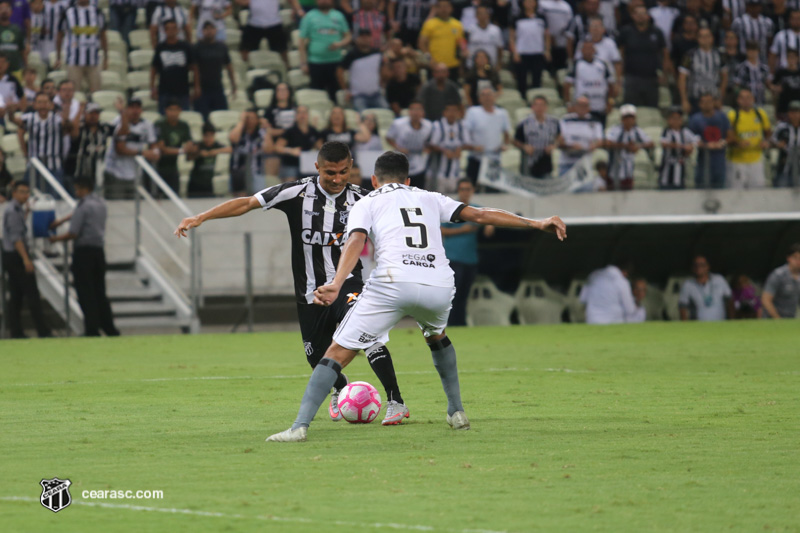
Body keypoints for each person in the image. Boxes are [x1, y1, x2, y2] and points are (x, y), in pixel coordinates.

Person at [263, 150, 567, 441]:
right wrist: (536, 222)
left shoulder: (367, 201)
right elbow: (480, 213)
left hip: (393, 283)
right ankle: (456, 411)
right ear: (408, 181)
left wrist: (336, 282)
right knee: (437, 336)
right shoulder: (430, 197)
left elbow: (355, 240)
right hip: (438, 285)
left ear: (374, 180)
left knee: (336, 352)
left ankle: (299, 428)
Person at [175, 142, 410, 427]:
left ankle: (396, 401)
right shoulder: (296, 192)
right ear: (317, 167)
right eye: (330, 173)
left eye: (343, 172)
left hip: (347, 285)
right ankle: (339, 387)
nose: (337, 179)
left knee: (368, 334)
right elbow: (247, 203)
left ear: (351, 167)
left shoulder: (364, 199)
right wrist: (201, 217)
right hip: (309, 293)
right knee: (317, 358)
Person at [48, 177, 120, 337]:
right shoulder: (101, 203)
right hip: (98, 252)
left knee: (86, 292)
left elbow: (73, 233)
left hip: (84, 253)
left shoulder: (83, 206)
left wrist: (55, 239)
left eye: (77, 189)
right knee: (100, 291)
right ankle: (109, 328)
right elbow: (80, 216)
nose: (76, 192)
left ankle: (92, 329)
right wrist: (63, 220)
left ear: (83, 189)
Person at [2, 181, 51, 338]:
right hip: (16, 255)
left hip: (12, 255)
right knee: (31, 293)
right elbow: (16, 238)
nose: (26, 195)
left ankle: (16, 332)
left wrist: (27, 213)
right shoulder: (13, 210)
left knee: (16, 295)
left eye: (27, 192)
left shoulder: (17, 209)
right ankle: (43, 331)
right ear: (14, 193)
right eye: (22, 192)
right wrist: (26, 259)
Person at [441, 178, 494, 326]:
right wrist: (462, 230)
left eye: (468, 189)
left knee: (465, 294)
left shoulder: (475, 209)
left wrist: (490, 225)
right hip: (453, 257)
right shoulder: (452, 208)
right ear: (458, 191)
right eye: (462, 189)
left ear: (472, 191)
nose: (465, 192)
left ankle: (461, 323)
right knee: (453, 294)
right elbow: (440, 230)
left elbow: (488, 217)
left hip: (470, 259)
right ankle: (450, 323)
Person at [10, 91, 74, 195]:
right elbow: (14, 120)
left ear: (51, 105)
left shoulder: (57, 119)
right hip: (34, 165)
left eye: (45, 102)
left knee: (55, 196)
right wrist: (10, 111)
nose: (43, 105)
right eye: (40, 102)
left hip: (54, 165)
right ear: (34, 104)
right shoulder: (30, 118)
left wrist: (66, 119)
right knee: (29, 195)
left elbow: (69, 129)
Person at [103, 98, 160, 200]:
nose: (135, 111)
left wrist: (155, 153)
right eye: (132, 107)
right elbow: (120, 150)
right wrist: (143, 153)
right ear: (127, 109)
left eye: (138, 107)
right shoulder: (118, 121)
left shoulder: (147, 125)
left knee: (135, 204)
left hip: (136, 173)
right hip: (116, 172)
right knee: (117, 205)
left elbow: (154, 146)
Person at [617, 5, 671, 108]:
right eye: (637, 14)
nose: (640, 16)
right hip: (631, 77)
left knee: (652, 109)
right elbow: (620, 55)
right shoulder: (626, 32)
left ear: (648, 16)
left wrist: (664, 74)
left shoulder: (657, 32)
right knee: (630, 109)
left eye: (643, 14)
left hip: (652, 77)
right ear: (633, 16)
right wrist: (619, 76)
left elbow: (665, 54)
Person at [298, 0, 351, 102]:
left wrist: (340, 44)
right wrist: (303, 63)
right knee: (317, 94)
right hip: (316, 62)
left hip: (335, 61)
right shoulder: (309, 17)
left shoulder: (338, 16)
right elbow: (301, 42)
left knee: (335, 93)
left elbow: (348, 36)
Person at [55, 0, 107, 94]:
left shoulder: (97, 12)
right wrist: (58, 57)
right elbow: (60, 35)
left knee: (96, 92)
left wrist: (106, 57)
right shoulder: (68, 12)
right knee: (74, 92)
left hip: (93, 60)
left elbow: (103, 35)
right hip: (74, 60)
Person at [151, 18, 199, 114]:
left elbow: (194, 68)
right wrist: (152, 87)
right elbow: (154, 68)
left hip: (183, 90)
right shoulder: (160, 47)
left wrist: (197, 86)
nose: (171, 31)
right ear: (165, 31)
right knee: (164, 117)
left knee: (184, 116)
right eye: (168, 28)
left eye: (173, 28)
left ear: (177, 30)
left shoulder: (185, 46)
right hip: (164, 90)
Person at [464, 87, 511, 184]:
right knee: (472, 185)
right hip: (476, 158)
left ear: (494, 97)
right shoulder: (473, 112)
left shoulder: (502, 113)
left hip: (494, 159)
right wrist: (472, 146)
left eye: (489, 94)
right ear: (479, 99)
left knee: (493, 188)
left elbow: (506, 133)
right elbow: (466, 132)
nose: (487, 97)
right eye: (483, 95)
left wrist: (505, 145)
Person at [727, 87, 771, 189]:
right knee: (736, 190)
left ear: (753, 99)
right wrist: (738, 143)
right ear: (738, 100)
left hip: (756, 160)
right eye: (742, 98)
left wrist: (766, 141)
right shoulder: (733, 115)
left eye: (748, 97)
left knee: (758, 190)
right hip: (737, 160)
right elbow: (728, 135)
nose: (746, 100)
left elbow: (768, 132)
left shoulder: (760, 114)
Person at [563, 41, 616, 127]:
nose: (588, 51)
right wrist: (569, 104)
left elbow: (611, 84)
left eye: (590, 48)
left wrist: (610, 102)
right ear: (581, 50)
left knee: (599, 130)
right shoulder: (576, 64)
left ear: (594, 50)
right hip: (582, 109)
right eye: (586, 48)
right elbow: (567, 85)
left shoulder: (602, 64)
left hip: (599, 107)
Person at [679, 27, 729, 115]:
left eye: (707, 36)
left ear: (712, 38)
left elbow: (724, 77)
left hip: (714, 98)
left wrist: (720, 97)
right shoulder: (690, 55)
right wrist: (684, 100)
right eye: (701, 36)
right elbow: (682, 78)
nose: (705, 39)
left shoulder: (719, 55)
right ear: (698, 39)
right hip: (695, 98)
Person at [237, 0, 303, 67]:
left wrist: (299, 10)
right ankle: (246, 67)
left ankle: (286, 68)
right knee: (245, 49)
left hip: (274, 23)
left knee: (282, 50)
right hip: (254, 23)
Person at [193, 21, 236, 121]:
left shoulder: (222, 47)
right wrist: (196, 87)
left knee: (222, 117)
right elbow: (195, 69)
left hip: (217, 87)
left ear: (216, 30)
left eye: (211, 28)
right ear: (202, 31)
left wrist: (233, 85)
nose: (209, 31)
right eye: (206, 29)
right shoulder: (197, 47)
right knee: (203, 118)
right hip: (202, 88)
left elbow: (229, 67)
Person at [66, 102, 116, 186]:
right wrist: (80, 110)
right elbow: (73, 132)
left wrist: (122, 111)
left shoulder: (104, 128)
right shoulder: (80, 127)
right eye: (91, 113)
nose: (93, 116)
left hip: (97, 175)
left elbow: (123, 132)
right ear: (85, 114)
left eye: (96, 113)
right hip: (77, 173)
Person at [604, 104, 654, 191]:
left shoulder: (637, 131)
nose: (629, 120)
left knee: (628, 191)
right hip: (615, 167)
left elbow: (651, 143)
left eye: (631, 118)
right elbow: (608, 143)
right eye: (626, 118)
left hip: (629, 169)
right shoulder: (616, 130)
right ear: (622, 119)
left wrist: (638, 146)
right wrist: (626, 146)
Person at [338, 29, 388, 113]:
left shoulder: (377, 54)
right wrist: (346, 90)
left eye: (367, 37)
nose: (365, 39)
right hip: (358, 95)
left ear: (371, 38)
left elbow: (383, 70)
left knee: (386, 112)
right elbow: (339, 71)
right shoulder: (351, 55)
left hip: (376, 94)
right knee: (362, 115)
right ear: (357, 39)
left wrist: (383, 83)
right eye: (362, 37)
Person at [429, 102, 475, 193]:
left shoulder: (462, 125)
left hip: (456, 172)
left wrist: (460, 149)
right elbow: (432, 145)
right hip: (440, 172)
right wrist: (444, 151)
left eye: (454, 111)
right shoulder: (438, 125)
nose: (452, 113)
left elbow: (469, 144)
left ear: (458, 112)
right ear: (444, 113)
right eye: (449, 110)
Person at [385, 100, 433, 188]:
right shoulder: (398, 124)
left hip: (419, 162)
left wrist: (427, 148)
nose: (416, 112)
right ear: (409, 112)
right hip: (400, 162)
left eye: (419, 109)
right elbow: (388, 137)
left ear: (423, 112)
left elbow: (430, 142)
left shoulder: (429, 126)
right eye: (413, 109)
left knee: (418, 190)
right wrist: (398, 147)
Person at [580, 261, 645, 324]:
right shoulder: (622, 282)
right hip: (614, 323)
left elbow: (583, 298)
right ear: (625, 272)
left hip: (592, 321)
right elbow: (630, 310)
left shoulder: (594, 275)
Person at [688, 92, 730, 189]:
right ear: (700, 104)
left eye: (709, 101)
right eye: (704, 102)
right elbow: (690, 139)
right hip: (702, 160)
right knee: (702, 186)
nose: (707, 104)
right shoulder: (695, 119)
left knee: (720, 187)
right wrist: (706, 145)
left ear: (714, 102)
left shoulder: (722, 117)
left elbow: (731, 136)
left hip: (719, 159)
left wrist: (722, 142)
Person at [510, 0, 551, 96]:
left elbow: (547, 36)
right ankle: (523, 98)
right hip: (522, 53)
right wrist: (515, 52)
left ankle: (535, 99)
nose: (529, 4)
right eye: (527, 1)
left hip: (538, 53)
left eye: (532, 1)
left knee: (537, 79)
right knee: (521, 80)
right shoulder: (517, 18)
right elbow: (511, 38)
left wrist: (547, 50)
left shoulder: (542, 18)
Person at [513, 95, 560, 179]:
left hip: (546, 160)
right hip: (529, 161)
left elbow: (560, 137)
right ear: (532, 107)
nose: (539, 108)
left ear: (546, 107)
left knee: (547, 182)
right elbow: (516, 141)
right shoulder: (524, 123)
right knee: (528, 183)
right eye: (536, 105)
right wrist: (524, 146)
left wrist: (554, 145)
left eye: (542, 105)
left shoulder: (554, 122)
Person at [557, 95, 604, 176]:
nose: (582, 108)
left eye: (585, 105)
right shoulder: (565, 120)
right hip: (567, 162)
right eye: (580, 105)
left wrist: (593, 145)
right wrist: (571, 146)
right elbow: (559, 141)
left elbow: (599, 141)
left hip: (585, 163)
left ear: (589, 107)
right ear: (575, 106)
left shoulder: (595, 122)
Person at [154, 101, 194, 195]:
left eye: (176, 110)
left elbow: (189, 143)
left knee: (174, 194)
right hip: (158, 166)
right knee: (158, 196)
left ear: (180, 111)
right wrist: (182, 151)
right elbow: (162, 149)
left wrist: (189, 147)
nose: (173, 113)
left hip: (173, 166)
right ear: (165, 110)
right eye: (171, 110)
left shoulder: (183, 125)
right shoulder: (159, 124)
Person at [418, 0, 464, 81]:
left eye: (446, 6)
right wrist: (429, 59)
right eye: (441, 6)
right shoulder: (429, 24)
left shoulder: (457, 25)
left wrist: (464, 50)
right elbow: (421, 43)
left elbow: (461, 42)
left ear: (451, 8)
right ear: (437, 8)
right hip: (435, 65)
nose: (444, 9)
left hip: (452, 65)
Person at [274, 105, 320, 184]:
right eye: (299, 113)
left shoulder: (313, 131)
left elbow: (320, 146)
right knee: (291, 184)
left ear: (308, 115)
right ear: (296, 115)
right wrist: (290, 151)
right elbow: (277, 147)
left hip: (308, 165)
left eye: (304, 113)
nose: (302, 115)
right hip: (291, 164)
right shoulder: (290, 131)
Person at [229, 108, 272, 193]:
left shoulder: (261, 133)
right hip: (238, 170)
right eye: (247, 118)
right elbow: (233, 139)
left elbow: (269, 149)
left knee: (258, 197)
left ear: (257, 120)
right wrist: (241, 121)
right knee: (239, 197)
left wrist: (265, 129)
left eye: (253, 118)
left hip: (257, 170)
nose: (250, 121)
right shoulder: (238, 130)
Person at [679, 255, 733, 321]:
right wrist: (685, 325)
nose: (698, 267)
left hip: (720, 324)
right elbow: (682, 307)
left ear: (708, 266)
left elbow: (730, 300)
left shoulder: (719, 279)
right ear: (692, 268)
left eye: (702, 265)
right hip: (698, 325)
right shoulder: (688, 284)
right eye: (696, 265)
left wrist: (732, 320)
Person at [187, 122, 231, 197]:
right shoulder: (199, 145)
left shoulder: (216, 145)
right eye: (206, 136)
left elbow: (230, 149)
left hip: (209, 182)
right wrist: (199, 154)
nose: (209, 139)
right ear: (203, 136)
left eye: (211, 136)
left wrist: (215, 151)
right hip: (195, 182)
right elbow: (188, 157)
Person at [262, 82, 296, 178]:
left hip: (293, 146)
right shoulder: (270, 110)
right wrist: (286, 131)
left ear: (289, 92)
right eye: (279, 90)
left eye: (284, 90)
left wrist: (279, 131)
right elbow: (268, 131)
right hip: (274, 149)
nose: (282, 92)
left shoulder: (296, 108)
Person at [659, 107, 697, 190]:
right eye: (673, 118)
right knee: (666, 185)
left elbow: (695, 140)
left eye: (678, 118)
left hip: (680, 164)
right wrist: (682, 146)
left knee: (679, 185)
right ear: (669, 120)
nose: (676, 121)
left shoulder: (685, 132)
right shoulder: (666, 131)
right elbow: (664, 143)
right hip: (668, 164)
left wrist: (690, 148)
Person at [761, 243, 800, 319]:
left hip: (790, 319)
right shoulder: (778, 275)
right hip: (773, 320)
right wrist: (778, 319)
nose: (798, 262)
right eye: (796, 258)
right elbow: (766, 299)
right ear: (788, 258)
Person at [539, 0, 573, 75]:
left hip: (562, 44)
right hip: (545, 45)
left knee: (561, 71)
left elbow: (569, 25)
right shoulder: (542, 4)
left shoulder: (566, 7)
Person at [465, 4, 503, 69]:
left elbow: (499, 48)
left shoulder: (496, 30)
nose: (482, 15)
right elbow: (465, 47)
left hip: (491, 65)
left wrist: (499, 64)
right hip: (473, 66)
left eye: (484, 13)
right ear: (476, 15)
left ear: (488, 15)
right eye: (480, 13)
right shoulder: (469, 30)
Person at [734, 40, 771, 105]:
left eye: (754, 50)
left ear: (758, 51)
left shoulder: (764, 68)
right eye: (750, 50)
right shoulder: (741, 68)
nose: (752, 52)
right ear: (746, 51)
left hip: (762, 101)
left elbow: (768, 84)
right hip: (746, 103)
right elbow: (736, 86)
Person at [772, 100, 800, 187]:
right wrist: (778, 144)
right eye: (792, 112)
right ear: (788, 113)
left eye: (797, 112)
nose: (795, 115)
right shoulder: (781, 126)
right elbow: (772, 140)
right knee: (781, 189)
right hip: (784, 165)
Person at [0, 1, 26, 77]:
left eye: (6, 8)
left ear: (11, 12)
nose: (4, 11)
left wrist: (26, 66)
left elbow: (22, 50)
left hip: (15, 70)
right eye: (1, 8)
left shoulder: (17, 29)